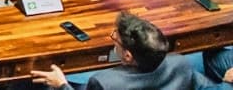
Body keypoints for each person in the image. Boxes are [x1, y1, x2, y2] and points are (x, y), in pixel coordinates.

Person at [30, 12, 202, 90]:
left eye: (115, 38)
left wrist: (62, 85)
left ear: (128, 56)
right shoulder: (181, 63)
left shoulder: (105, 83)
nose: (113, 40)